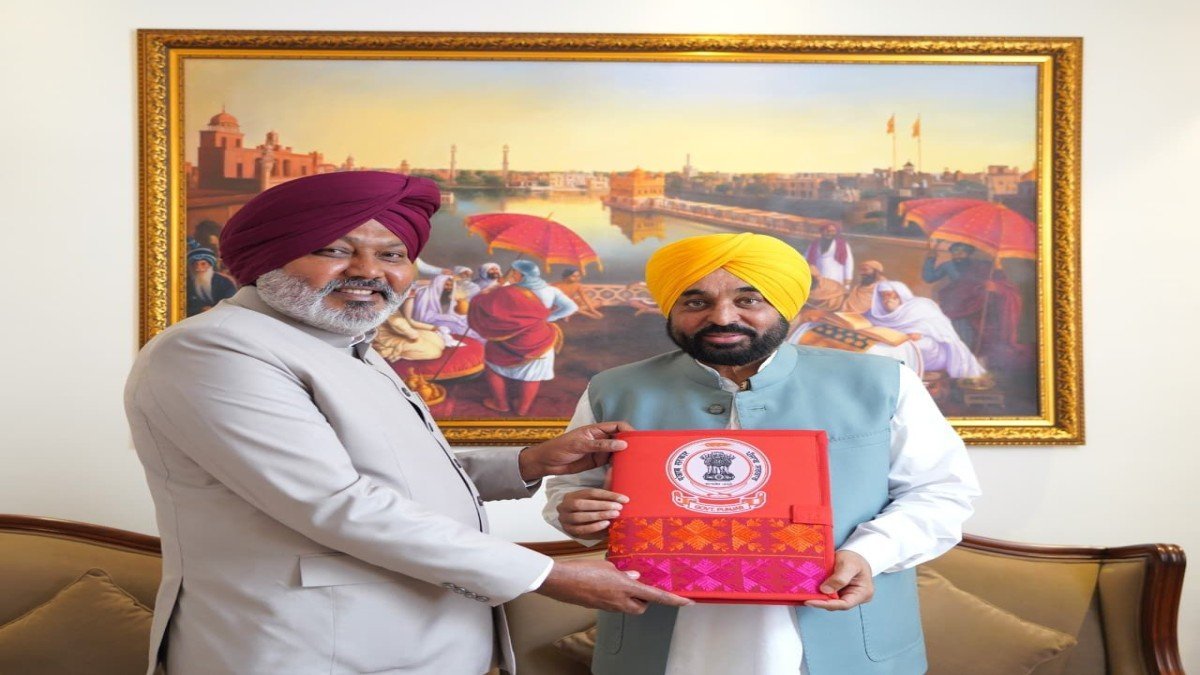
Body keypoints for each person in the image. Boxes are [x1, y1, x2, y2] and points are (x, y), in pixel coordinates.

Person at [125, 171, 688, 675]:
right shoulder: (214, 350)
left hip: (421, 642)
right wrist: (549, 576)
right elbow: (336, 503)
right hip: (309, 648)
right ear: (272, 255)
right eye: (333, 249)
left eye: (392, 254)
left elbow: (392, 472)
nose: (368, 271)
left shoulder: (347, 344)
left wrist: (528, 462)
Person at [544, 232, 979, 675]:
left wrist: (871, 553)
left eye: (748, 300)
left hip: (842, 637)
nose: (722, 317)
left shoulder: (883, 381)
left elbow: (941, 493)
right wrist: (574, 513)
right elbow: (569, 490)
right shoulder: (614, 389)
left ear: (784, 304)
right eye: (696, 302)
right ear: (671, 308)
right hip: (664, 641)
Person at [466, 260, 577, 416]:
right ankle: (523, 409)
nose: (512, 275)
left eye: (514, 272)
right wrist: (546, 318)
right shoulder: (550, 290)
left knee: (492, 365)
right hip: (540, 338)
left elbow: (481, 305)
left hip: (508, 339)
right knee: (533, 374)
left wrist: (489, 292)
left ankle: (501, 404)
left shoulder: (506, 291)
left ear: (521, 275)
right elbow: (572, 307)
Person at [922, 242, 1026, 367]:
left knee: (982, 333)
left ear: (969, 253)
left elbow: (1003, 283)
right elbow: (929, 278)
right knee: (958, 333)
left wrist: (995, 285)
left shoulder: (982, 266)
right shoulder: (948, 265)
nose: (958, 254)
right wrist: (931, 259)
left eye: (963, 251)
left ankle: (975, 361)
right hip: (956, 306)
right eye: (955, 251)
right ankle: (958, 363)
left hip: (978, 305)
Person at [865, 280, 986, 380]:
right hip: (895, 341)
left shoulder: (919, 305)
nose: (887, 300)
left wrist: (920, 333)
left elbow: (939, 327)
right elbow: (868, 323)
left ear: (900, 295)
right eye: (883, 296)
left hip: (930, 346)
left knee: (916, 346)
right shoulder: (875, 313)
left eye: (891, 296)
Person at [403, 272, 476, 338]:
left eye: (451, 285)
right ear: (439, 284)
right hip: (428, 323)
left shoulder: (447, 294)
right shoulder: (424, 294)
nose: (449, 288)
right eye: (447, 285)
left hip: (440, 320)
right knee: (454, 328)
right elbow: (423, 317)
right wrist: (447, 318)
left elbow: (453, 311)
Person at [185, 246, 236, 315]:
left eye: (203, 264)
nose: (198, 268)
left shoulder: (224, 282)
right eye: (195, 264)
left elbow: (231, 304)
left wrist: (213, 310)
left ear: (210, 265)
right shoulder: (186, 283)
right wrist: (200, 310)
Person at [804, 223, 854, 288]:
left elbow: (849, 262)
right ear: (822, 231)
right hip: (819, 277)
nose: (829, 233)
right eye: (827, 230)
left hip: (835, 277)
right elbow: (806, 258)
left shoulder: (842, 244)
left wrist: (848, 279)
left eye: (832, 231)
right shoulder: (814, 244)